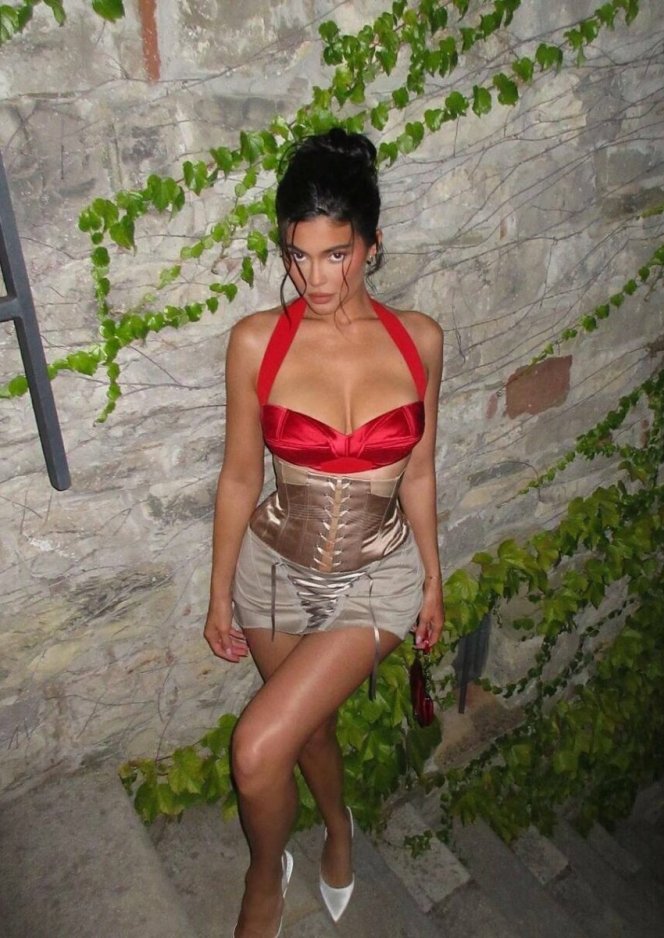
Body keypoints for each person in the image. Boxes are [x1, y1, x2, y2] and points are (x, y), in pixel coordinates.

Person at [203, 127, 444, 938]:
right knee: (308, 729)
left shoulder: (419, 340)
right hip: (273, 572)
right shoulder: (255, 342)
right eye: (298, 256)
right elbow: (240, 478)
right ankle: (295, 852)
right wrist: (218, 595)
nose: (314, 279)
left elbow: (419, 472)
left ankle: (291, 856)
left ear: (371, 245)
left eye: (336, 255)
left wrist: (434, 578)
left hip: (378, 575)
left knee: (256, 746)